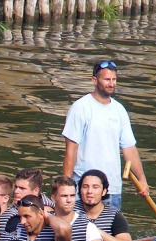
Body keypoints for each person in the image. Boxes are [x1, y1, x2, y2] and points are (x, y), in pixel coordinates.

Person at [62, 60, 149, 212]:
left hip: (112, 188)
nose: (111, 83)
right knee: (81, 234)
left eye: (114, 79)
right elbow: (71, 150)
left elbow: (129, 149)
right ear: (95, 80)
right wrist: (66, 186)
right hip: (84, 188)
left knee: (111, 234)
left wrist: (142, 179)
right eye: (107, 79)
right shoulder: (80, 108)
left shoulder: (119, 110)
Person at [79, 169, 132, 241]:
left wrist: (96, 232)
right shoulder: (71, 210)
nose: (89, 191)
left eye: (95, 187)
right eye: (85, 186)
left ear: (104, 191)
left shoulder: (115, 216)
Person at [0, 168, 43, 232]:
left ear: (35, 191)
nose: (16, 191)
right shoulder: (17, 203)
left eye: (22, 188)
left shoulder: (46, 208)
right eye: (16, 187)